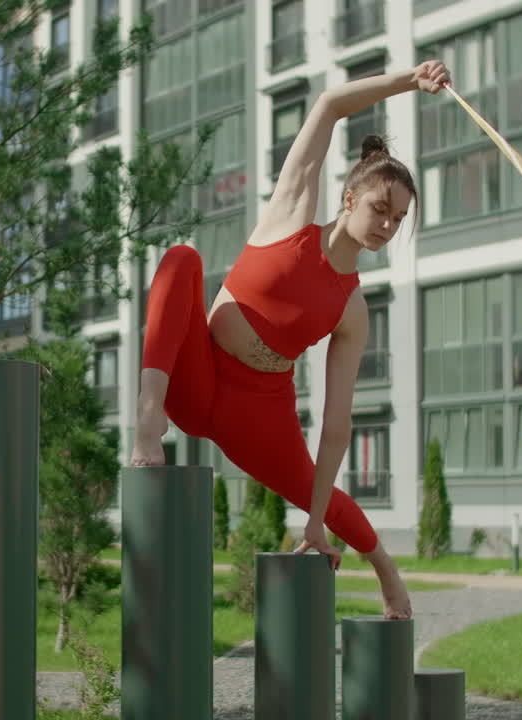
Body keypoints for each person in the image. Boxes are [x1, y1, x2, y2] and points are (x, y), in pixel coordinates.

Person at [130, 59, 452, 620]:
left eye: (398, 219)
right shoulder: (290, 214)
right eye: (381, 208)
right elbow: (328, 104)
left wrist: (315, 519)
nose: (386, 225)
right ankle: (147, 416)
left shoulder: (354, 307)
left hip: (259, 413)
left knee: (315, 490)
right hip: (197, 375)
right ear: (350, 199)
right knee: (182, 258)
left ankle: (390, 577)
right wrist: (409, 81)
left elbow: (335, 426)